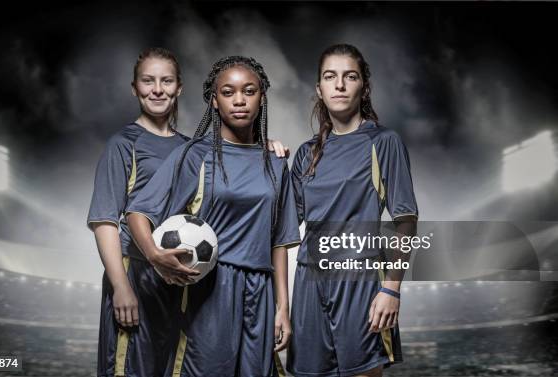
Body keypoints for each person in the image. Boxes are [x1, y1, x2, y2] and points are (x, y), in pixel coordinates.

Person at [87, 47, 292, 376]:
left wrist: (283, 307)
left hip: (227, 286)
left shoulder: (265, 162)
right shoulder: (180, 152)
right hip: (179, 283)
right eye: (228, 92)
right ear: (214, 100)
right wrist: (139, 267)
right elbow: (121, 216)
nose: (239, 100)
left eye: (166, 81)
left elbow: (278, 239)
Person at [286, 44, 418, 377]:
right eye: (330, 77)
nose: (340, 85)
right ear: (319, 88)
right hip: (308, 281)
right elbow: (283, 224)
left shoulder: (383, 142)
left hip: (358, 280)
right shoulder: (306, 153)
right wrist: (268, 159)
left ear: (364, 86)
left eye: (350, 76)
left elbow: (406, 222)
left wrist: (391, 289)